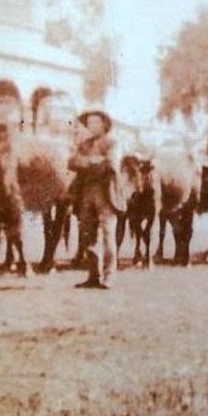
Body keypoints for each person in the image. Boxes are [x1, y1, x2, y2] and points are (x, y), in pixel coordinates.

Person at [68, 109, 121, 289]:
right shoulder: (85, 143)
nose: (91, 126)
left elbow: (110, 165)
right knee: (87, 235)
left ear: (104, 124)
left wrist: (87, 162)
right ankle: (93, 275)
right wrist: (94, 161)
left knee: (108, 234)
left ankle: (109, 276)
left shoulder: (113, 143)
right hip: (86, 192)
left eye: (95, 122)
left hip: (106, 193)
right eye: (89, 123)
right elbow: (72, 162)